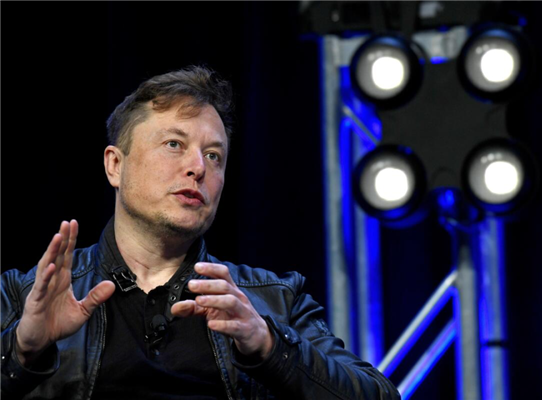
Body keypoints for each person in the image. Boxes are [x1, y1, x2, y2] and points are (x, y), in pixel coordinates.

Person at [0, 66, 400, 399]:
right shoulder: (24, 295)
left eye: (214, 155)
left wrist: (268, 345)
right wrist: (22, 351)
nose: (198, 167)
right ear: (115, 166)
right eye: (174, 144)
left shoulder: (273, 300)